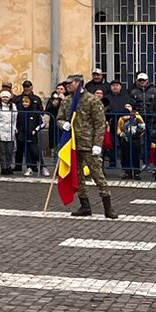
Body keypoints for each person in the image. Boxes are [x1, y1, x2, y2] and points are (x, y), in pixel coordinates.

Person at [67, 76, 115, 218]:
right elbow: (60, 118)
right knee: (78, 176)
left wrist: (97, 144)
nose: (68, 85)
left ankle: (108, 208)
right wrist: (63, 124)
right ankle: (85, 206)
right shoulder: (67, 101)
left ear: (79, 84)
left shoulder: (92, 100)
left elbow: (100, 124)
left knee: (97, 175)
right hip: (74, 144)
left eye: (71, 83)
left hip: (89, 144)